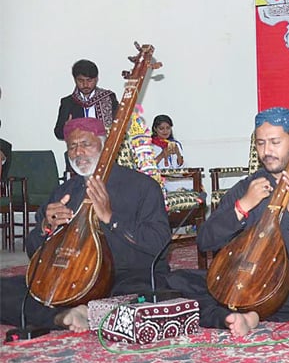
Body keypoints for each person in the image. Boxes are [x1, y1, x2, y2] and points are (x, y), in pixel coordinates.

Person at [166, 108, 289, 337]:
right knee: (174, 281)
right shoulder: (247, 187)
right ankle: (246, 309)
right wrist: (242, 206)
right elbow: (205, 241)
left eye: (275, 142)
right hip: (248, 278)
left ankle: (248, 314)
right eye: (261, 143)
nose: (267, 151)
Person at [0, 118, 171, 331]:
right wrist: (47, 226)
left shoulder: (143, 187)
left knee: (149, 295)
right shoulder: (64, 191)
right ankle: (66, 316)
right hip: (71, 280)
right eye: (72, 146)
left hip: (125, 276)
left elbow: (159, 244)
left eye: (86, 144)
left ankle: (79, 311)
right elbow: (34, 252)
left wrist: (110, 218)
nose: (78, 152)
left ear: (105, 146)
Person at [54, 59, 119, 140]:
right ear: (75, 80)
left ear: (96, 79)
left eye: (89, 80)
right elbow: (58, 133)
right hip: (78, 149)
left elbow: (119, 126)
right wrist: (67, 128)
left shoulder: (109, 98)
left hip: (105, 148)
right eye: (81, 80)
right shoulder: (68, 102)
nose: (85, 84)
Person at [150, 114, 187, 192]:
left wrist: (178, 153)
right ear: (155, 129)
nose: (165, 131)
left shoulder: (175, 144)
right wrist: (162, 154)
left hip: (175, 177)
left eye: (168, 128)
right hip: (160, 178)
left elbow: (181, 166)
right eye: (161, 128)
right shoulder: (150, 145)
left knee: (193, 183)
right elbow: (149, 166)